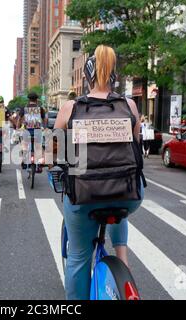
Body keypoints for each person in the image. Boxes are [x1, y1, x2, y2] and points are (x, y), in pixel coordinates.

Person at [54, 45, 144, 300]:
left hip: (84, 195)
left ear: (87, 78)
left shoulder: (70, 108)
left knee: (78, 256)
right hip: (129, 195)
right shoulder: (129, 105)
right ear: (114, 75)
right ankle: (122, 257)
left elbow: (52, 149)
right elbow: (135, 148)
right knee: (118, 193)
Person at [17, 92, 47, 169]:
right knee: (39, 147)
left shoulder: (24, 108)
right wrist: (45, 127)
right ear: (36, 100)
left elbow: (19, 119)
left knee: (24, 145)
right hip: (37, 131)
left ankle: (23, 159)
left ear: (28, 100)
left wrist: (17, 128)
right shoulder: (40, 108)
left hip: (27, 131)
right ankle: (40, 163)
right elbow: (44, 119)